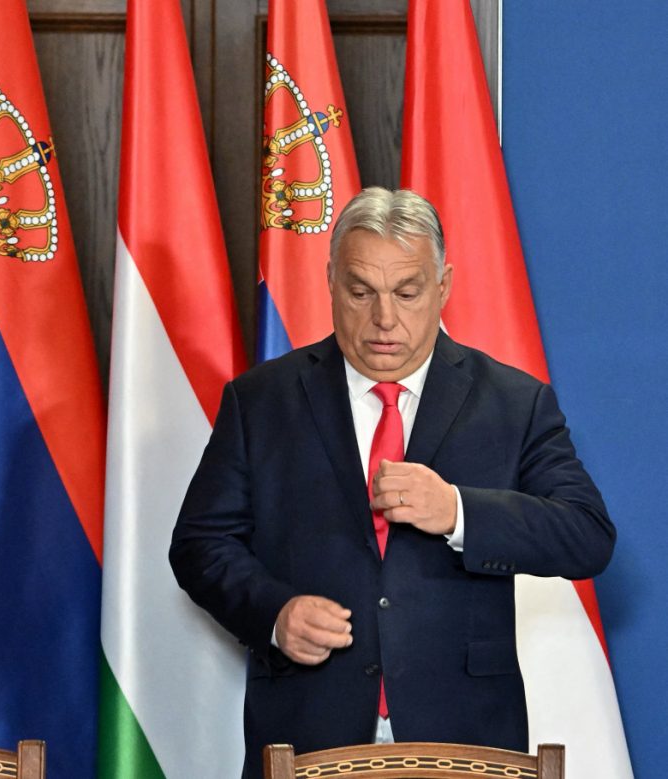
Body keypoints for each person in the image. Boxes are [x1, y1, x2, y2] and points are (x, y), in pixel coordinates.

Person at [169, 187, 615, 778]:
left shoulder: (514, 403)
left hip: (465, 740)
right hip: (308, 734)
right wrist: (274, 614)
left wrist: (457, 511)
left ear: (443, 286)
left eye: (407, 293)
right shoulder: (261, 402)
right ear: (331, 281)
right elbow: (199, 544)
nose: (384, 319)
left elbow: (587, 535)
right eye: (361, 292)